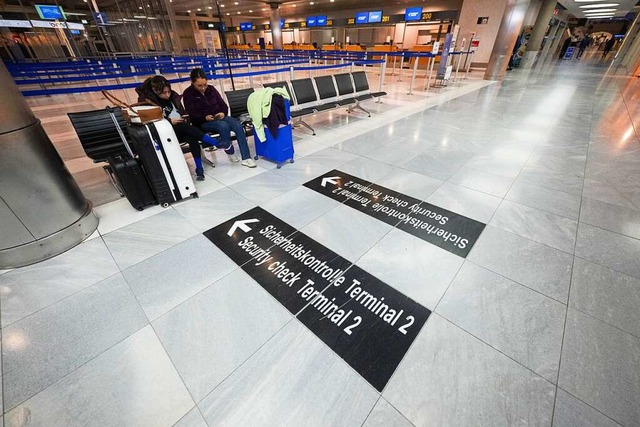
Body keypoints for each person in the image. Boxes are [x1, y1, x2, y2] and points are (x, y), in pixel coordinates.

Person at [136, 75, 221, 181]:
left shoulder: (173, 97)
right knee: (183, 127)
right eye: (164, 93)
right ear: (155, 91)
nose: (167, 95)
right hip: (164, 133)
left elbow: (182, 111)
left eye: (168, 92)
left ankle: (199, 169)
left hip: (180, 130)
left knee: (192, 138)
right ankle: (215, 142)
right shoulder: (146, 101)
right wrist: (169, 121)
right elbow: (149, 122)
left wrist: (184, 117)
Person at [182, 68, 256, 168]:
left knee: (237, 124)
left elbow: (223, 105)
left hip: (218, 117)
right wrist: (204, 117)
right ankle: (230, 151)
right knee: (223, 125)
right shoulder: (188, 94)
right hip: (202, 123)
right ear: (192, 82)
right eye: (199, 85)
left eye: (205, 84)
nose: (203, 88)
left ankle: (246, 158)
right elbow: (191, 114)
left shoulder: (211, 89)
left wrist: (222, 113)